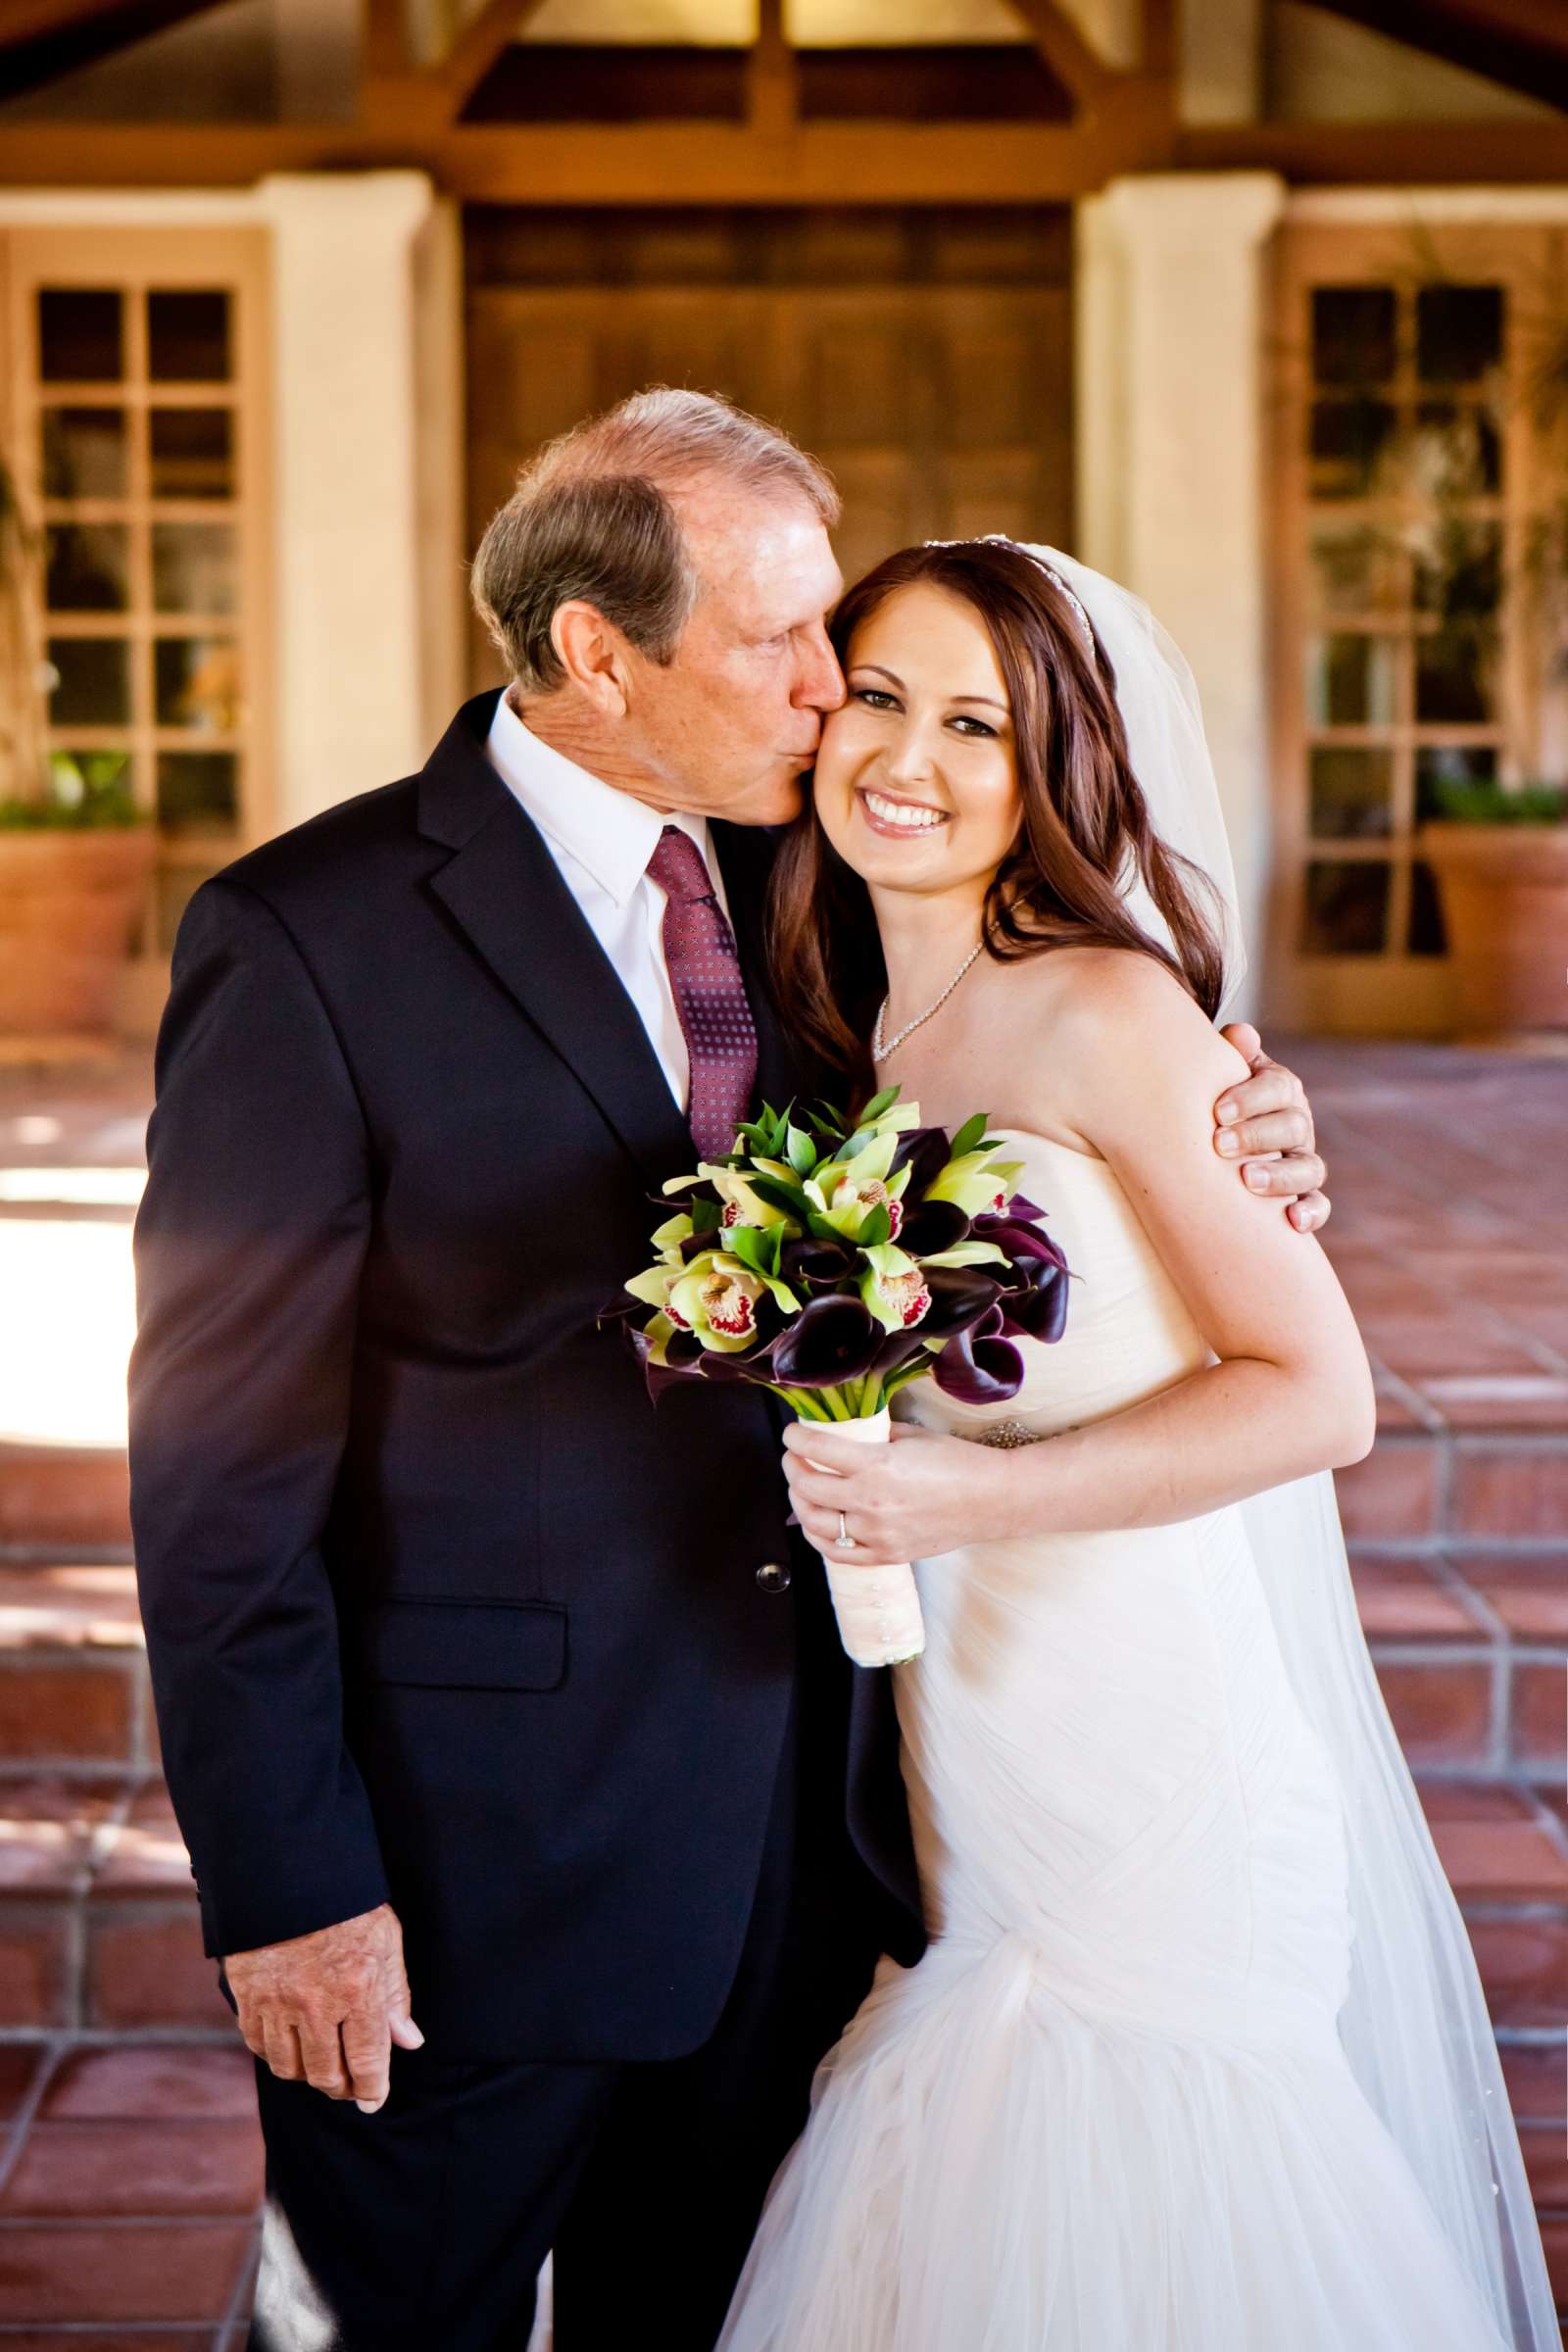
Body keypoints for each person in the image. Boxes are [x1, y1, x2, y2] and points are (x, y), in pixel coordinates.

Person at [128, 393, 1334, 2352]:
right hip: (473, 1873)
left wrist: (1250, 1126)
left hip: (819, 1845)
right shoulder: (306, 938)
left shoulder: (830, 915)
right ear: (599, 654)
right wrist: (288, 1890)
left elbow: (1055, 1122)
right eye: (786, 646)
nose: (828, 696)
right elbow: (212, 1476)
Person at [716, 535, 1558, 2351]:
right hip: (977, 1734)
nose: (907, 761)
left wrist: (965, 1492)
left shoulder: (1110, 1008)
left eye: (978, 725)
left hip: (1145, 1736)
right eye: (876, 696)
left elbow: (1315, 1391)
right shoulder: (847, 1024)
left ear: (1056, 772)